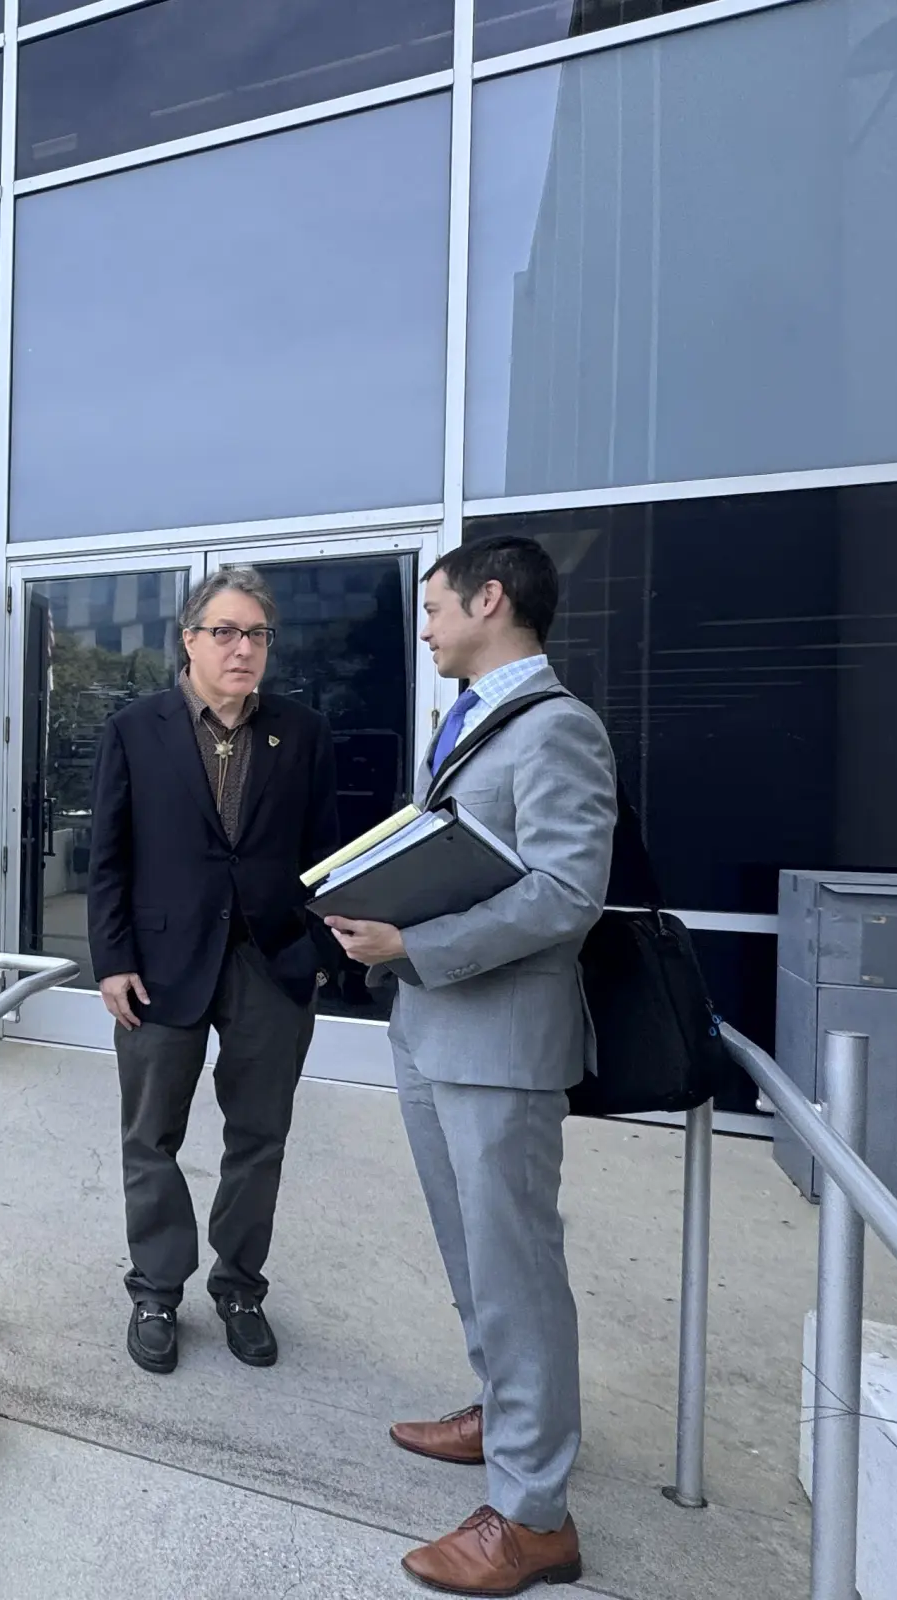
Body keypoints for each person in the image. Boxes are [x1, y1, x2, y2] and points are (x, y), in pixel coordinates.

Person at [326, 535, 615, 1596]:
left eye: (437, 605)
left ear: (491, 600)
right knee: (472, 1259)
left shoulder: (559, 731)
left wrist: (418, 944)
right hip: (435, 1027)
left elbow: (565, 893)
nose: (426, 624)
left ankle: (534, 1513)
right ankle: (505, 1415)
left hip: (498, 1045)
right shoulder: (473, 720)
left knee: (516, 1268)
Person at [86, 566, 339, 1375]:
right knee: (150, 1134)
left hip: (272, 965)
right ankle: (157, 1288)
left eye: (257, 634)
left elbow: (326, 856)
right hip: (161, 966)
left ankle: (240, 1287)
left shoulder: (300, 731)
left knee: (258, 1136)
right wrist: (112, 960)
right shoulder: (136, 728)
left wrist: (323, 952)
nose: (243, 649)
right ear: (189, 640)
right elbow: (109, 858)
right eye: (225, 632)